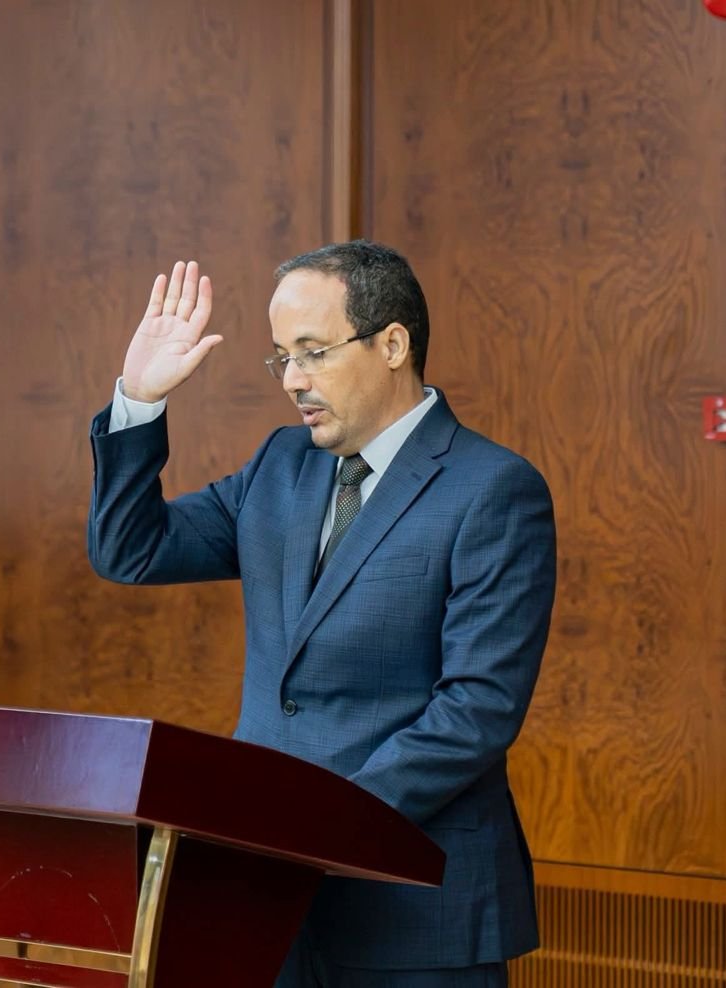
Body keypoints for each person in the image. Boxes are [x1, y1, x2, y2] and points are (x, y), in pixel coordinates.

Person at [88, 241, 556, 986]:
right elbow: (130, 550)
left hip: (414, 907)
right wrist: (140, 400)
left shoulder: (493, 489)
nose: (293, 380)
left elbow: (477, 710)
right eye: (281, 358)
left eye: (312, 352)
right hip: (262, 898)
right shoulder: (281, 464)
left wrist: (321, 824)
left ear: (392, 344)